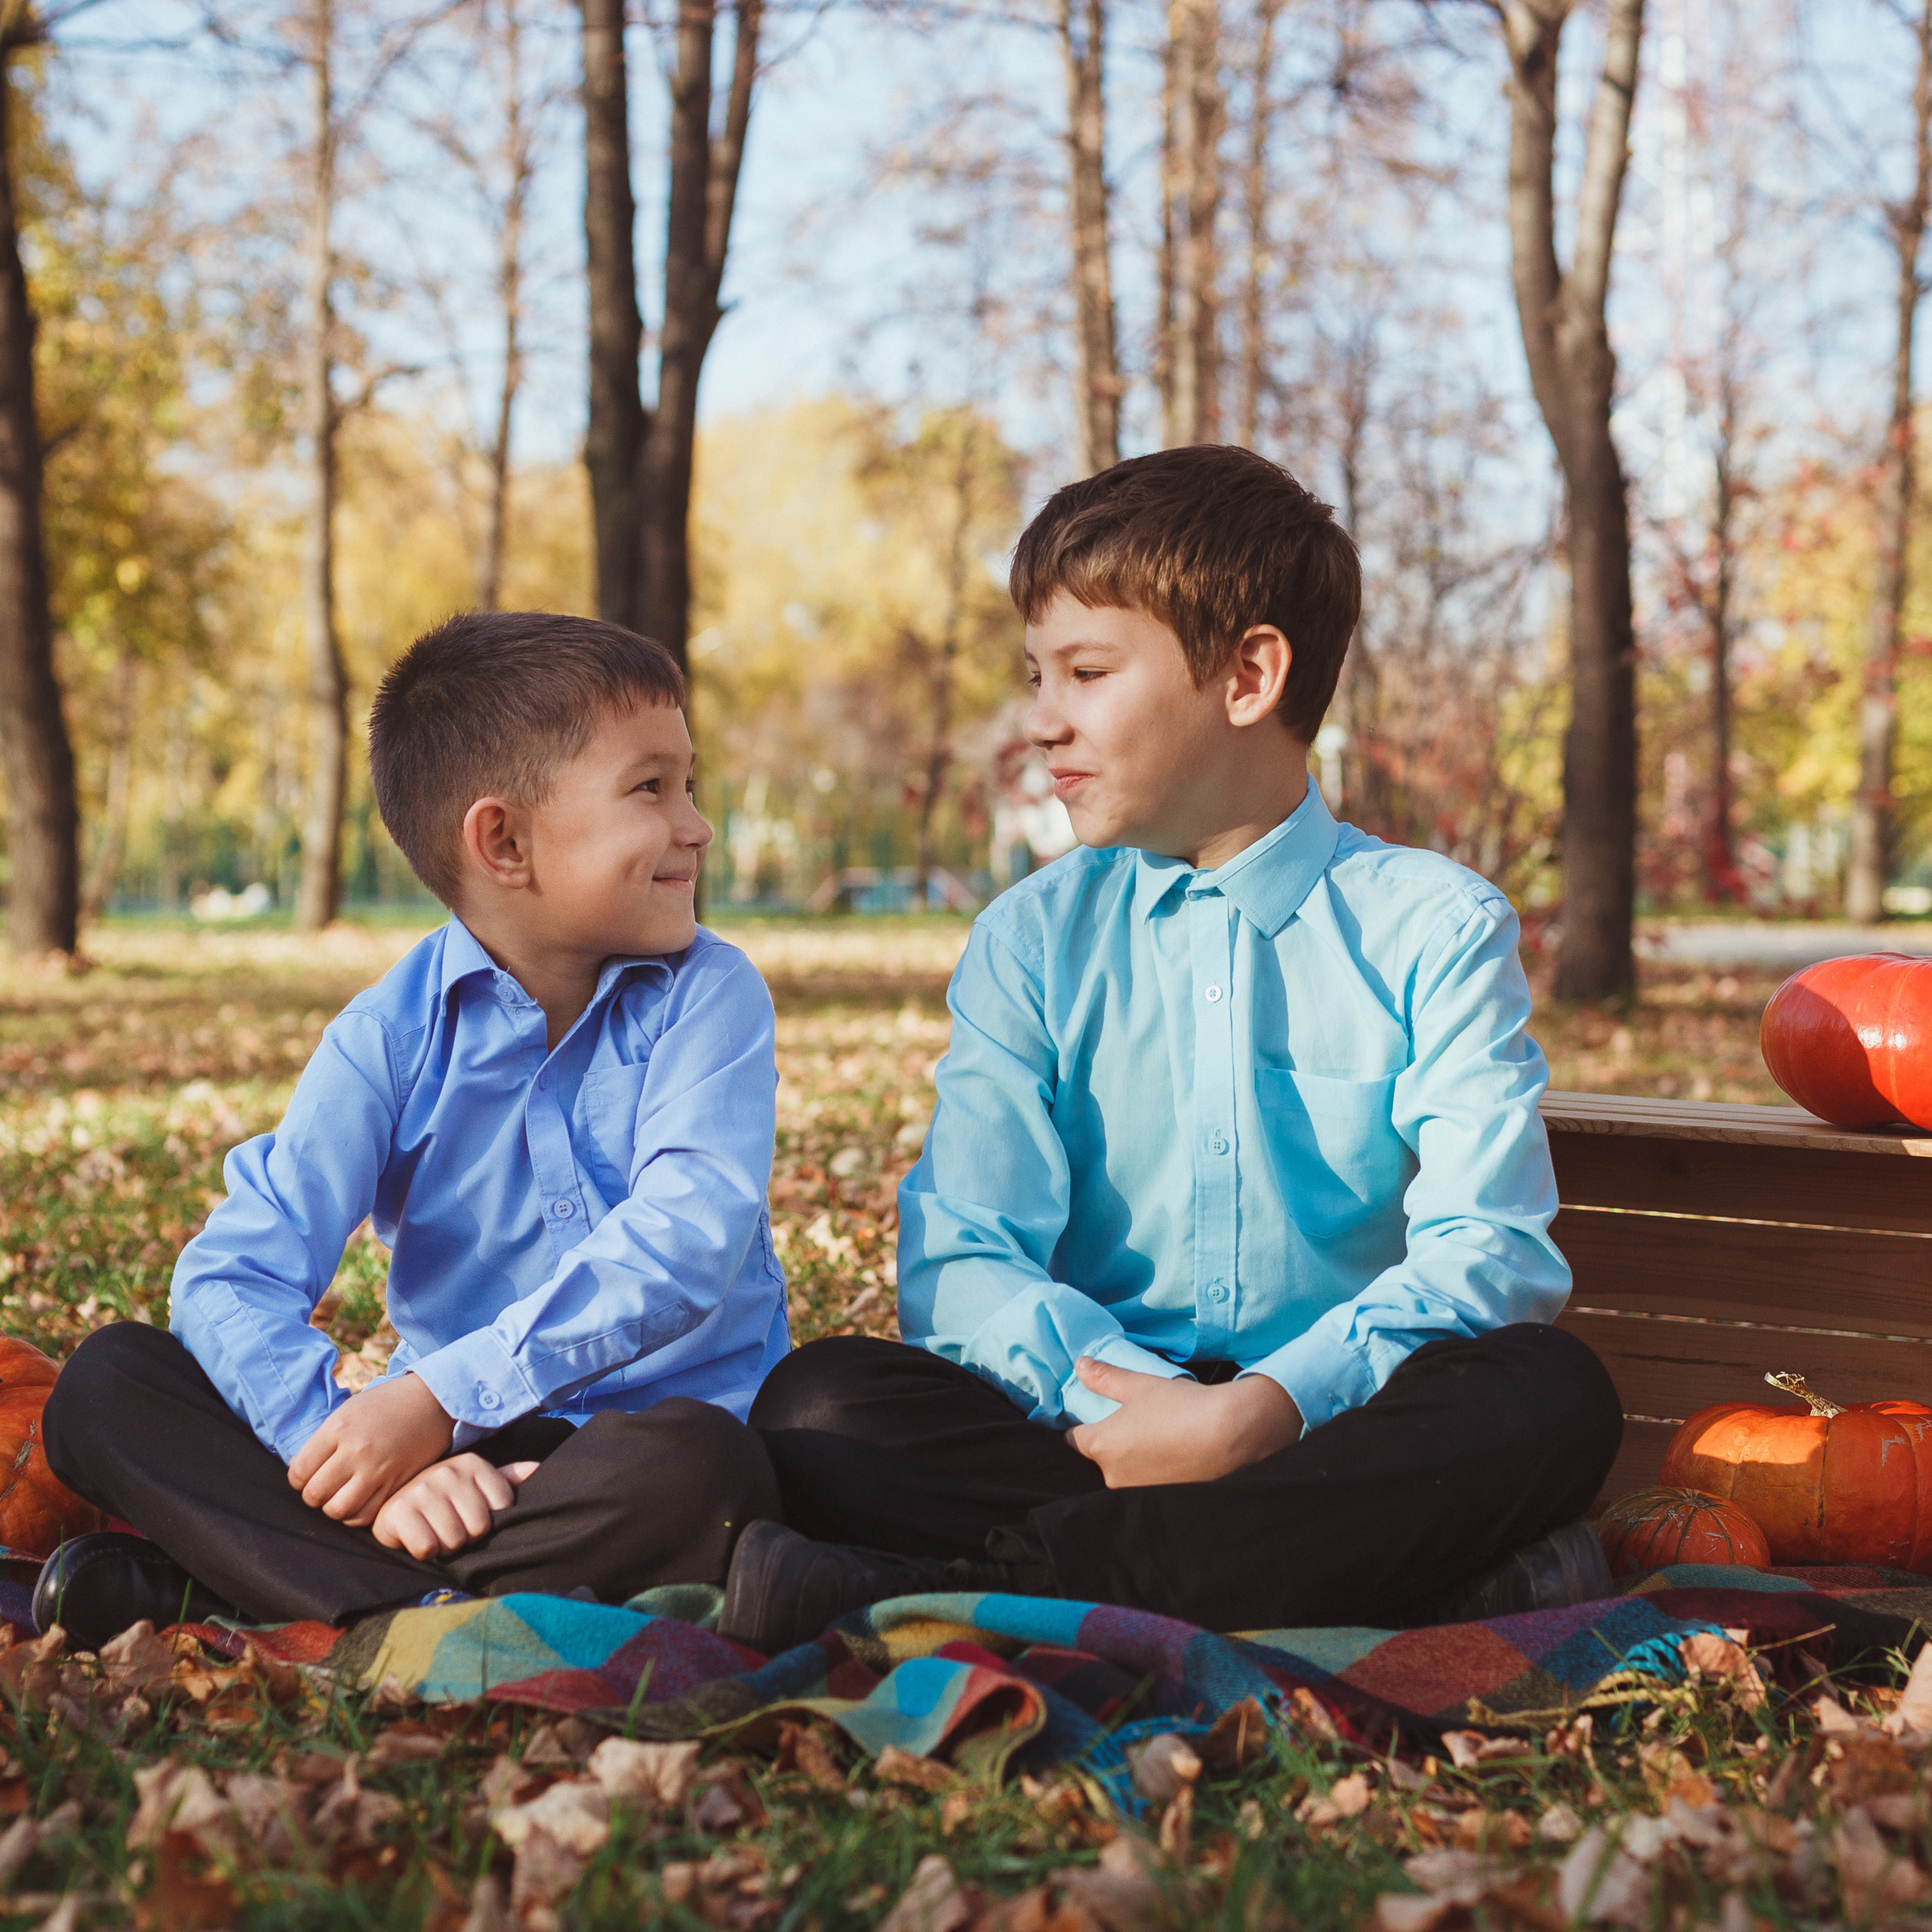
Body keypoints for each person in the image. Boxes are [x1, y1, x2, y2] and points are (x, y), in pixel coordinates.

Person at [719, 446, 1622, 1654]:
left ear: (1249, 675)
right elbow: (966, 1254)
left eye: (1087, 672)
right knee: (819, 1405)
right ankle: (1399, 1582)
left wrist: (1260, 1413)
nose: (1043, 720)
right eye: (1038, 674)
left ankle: (954, 1592)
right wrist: (1130, 1402)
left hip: (1333, 1430)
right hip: (1089, 1431)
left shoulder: (1434, 929)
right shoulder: (1032, 940)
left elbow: (1487, 1259)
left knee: (1548, 1398)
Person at [38, 614, 787, 1649]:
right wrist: (358, 1461)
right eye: (652, 788)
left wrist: (438, 1399)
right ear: (504, 843)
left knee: (709, 1472)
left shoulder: (709, 997)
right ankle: (424, 1601)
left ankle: (252, 1590)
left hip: (631, 1453)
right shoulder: (387, 1039)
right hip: (451, 1465)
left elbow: (687, 1239)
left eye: (689, 784)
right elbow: (233, 1274)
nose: (698, 825)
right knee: (105, 1384)